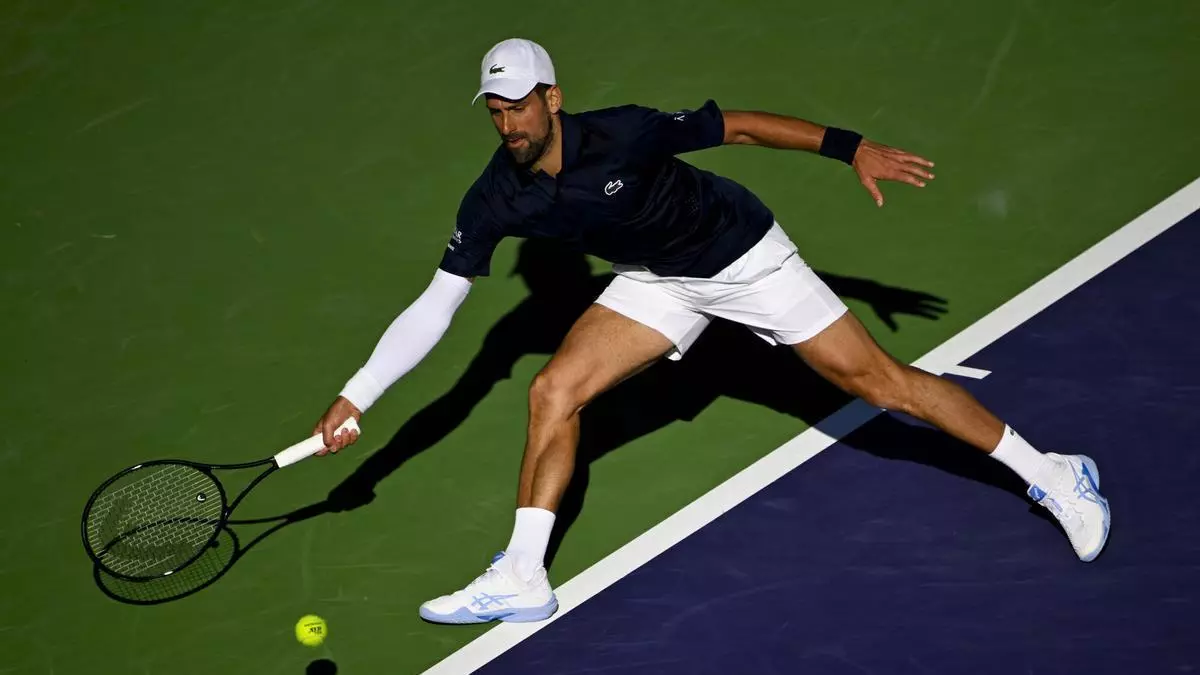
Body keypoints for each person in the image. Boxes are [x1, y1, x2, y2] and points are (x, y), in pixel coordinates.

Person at [312, 38, 1110, 624]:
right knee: (554, 390)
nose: (507, 122)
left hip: (744, 257)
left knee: (881, 385)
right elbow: (438, 302)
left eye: (518, 104)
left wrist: (851, 148)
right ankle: (523, 575)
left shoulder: (623, 133)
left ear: (552, 97)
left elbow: (739, 128)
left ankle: (1054, 473)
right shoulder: (495, 196)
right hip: (657, 279)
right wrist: (358, 393)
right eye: (495, 109)